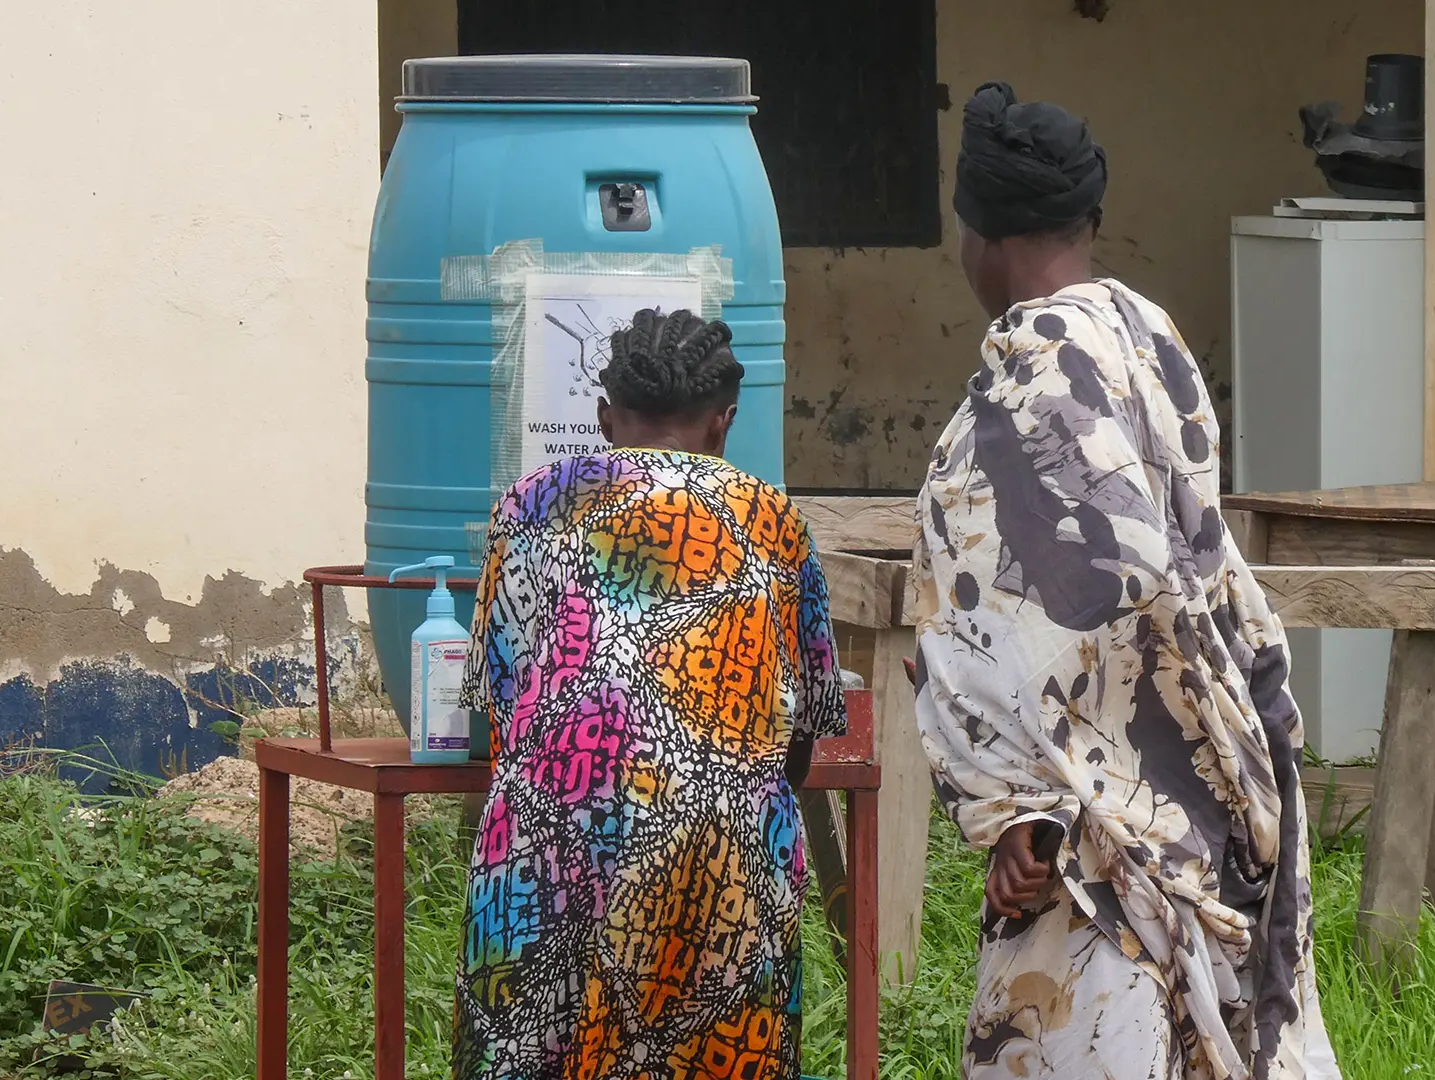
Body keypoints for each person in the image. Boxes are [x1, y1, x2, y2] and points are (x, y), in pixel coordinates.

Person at [909, 83, 1342, 1079]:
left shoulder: (1028, 385)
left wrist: (1026, 800)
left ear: (973, 232)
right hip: (1216, 774)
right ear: (1092, 221)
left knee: (1105, 1033)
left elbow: (1016, 611)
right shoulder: (1151, 340)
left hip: (1090, 830)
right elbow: (1180, 565)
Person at [456, 307, 848, 1080]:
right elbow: (800, 739)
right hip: (720, 869)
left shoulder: (528, 507)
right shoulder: (773, 520)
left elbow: (500, 713)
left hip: (550, 859)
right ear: (724, 422)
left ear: (604, 418)